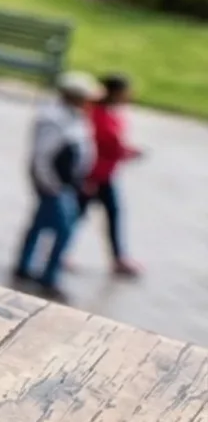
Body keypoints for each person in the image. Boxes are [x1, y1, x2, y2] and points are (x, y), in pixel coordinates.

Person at [17, 72, 99, 294]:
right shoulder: (54, 120)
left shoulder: (76, 116)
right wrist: (50, 185)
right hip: (56, 184)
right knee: (63, 228)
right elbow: (42, 156)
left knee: (41, 223)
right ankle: (48, 274)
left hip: (67, 182)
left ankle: (25, 265)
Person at [84, 73, 141, 277]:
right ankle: (118, 258)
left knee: (86, 214)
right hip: (94, 175)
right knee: (100, 213)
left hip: (104, 174)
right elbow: (106, 145)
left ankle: (118, 257)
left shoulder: (108, 113)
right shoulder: (99, 115)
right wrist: (126, 152)